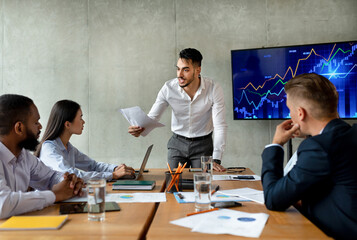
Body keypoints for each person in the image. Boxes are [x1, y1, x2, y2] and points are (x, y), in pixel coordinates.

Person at [261, 73, 357, 239]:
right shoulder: (350, 134)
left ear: (300, 113)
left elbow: (273, 199)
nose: (289, 115)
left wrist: (276, 144)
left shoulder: (318, 147)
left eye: (289, 110)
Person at [128, 48, 227, 171]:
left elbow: (220, 125)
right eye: (178, 69)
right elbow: (153, 117)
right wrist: (140, 129)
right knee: (173, 183)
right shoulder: (168, 88)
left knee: (201, 183)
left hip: (203, 145)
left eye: (185, 70)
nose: (179, 74)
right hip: (177, 143)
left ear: (198, 70)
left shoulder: (213, 88)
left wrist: (216, 158)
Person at [0, 94, 83, 219]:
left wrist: (68, 183)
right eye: (36, 122)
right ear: (19, 128)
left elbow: (51, 177)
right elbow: (3, 204)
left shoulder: (24, 157)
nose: (40, 127)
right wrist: (54, 195)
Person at [35, 100, 135, 182]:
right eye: (80, 118)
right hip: (51, 203)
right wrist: (112, 175)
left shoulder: (69, 148)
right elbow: (71, 174)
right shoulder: (49, 148)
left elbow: (92, 165)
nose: (83, 122)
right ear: (67, 124)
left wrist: (115, 169)